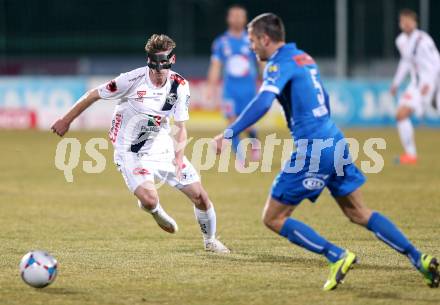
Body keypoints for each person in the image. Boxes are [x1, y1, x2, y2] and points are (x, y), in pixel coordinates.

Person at [214, 13, 439, 290]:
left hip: (313, 147)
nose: (251, 47)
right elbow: (326, 97)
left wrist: (229, 132)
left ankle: (336, 255)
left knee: (273, 218)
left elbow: (263, 101)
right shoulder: (303, 58)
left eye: (252, 41)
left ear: (265, 38)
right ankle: (420, 259)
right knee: (359, 213)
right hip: (334, 139)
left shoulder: (278, 63)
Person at [52, 34, 230, 253]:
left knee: (200, 196)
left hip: (161, 145)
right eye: (154, 64)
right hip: (130, 149)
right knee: (149, 198)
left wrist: (179, 157)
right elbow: (93, 95)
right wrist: (66, 120)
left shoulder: (180, 86)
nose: (158, 70)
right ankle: (153, 209)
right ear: (148, 61)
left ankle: (210, 241)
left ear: (172, 60)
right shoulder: (131, 80)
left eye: (163, 63)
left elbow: (181, 127)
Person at [206, 4, 261, 167]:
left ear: (245, 19)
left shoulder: (252, 40)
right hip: (230, 90)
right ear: (228, 19)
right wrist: (211, 86)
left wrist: (266, 80)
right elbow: (216, 65)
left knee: (248, 122)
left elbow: (261, 61)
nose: (237, 18)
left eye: (240, 15)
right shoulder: (221, 42)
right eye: (234, 15)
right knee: (231, 122)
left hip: (248, 89)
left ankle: (254, 143)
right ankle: (240, 157)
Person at [390, 9, 440, 165]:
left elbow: (436, 62)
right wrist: (396, 83)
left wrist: (429, 84)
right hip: (416, 85)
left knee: (402, 114)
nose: (405, 24)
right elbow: (405, 63)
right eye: (402, 21)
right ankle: (410, 156)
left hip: (431, 82)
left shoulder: (423, 40)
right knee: (400, 114)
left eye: (408, 21)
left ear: (415, 23)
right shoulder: (401, 41)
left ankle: (411, 155)